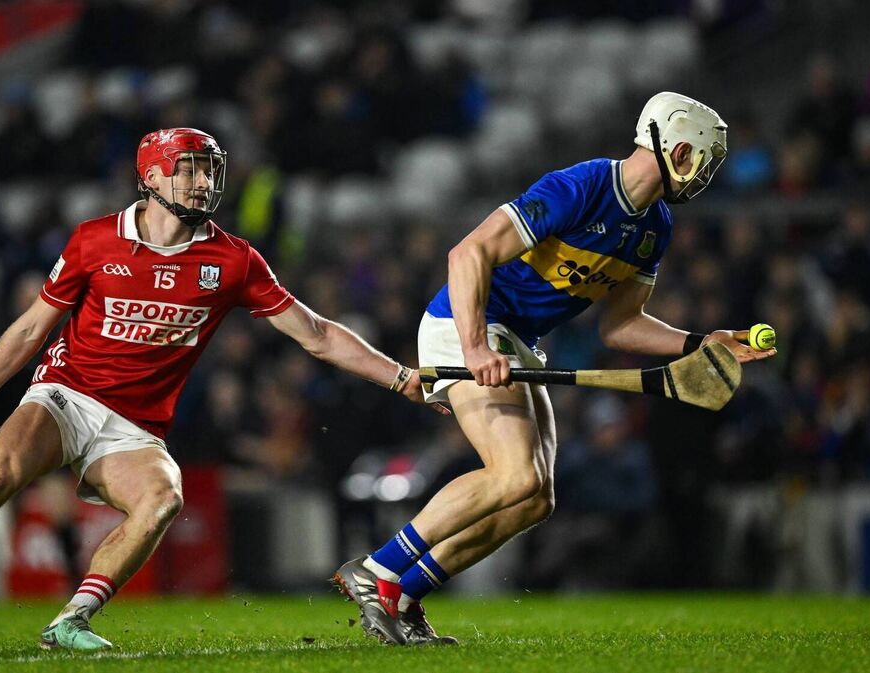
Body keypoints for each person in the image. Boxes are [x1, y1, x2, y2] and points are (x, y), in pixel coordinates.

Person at [0, 128, 446, 651]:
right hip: (65, 394)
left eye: (208, 169)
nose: (201, 180)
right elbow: (32, 328)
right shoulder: (94, 241)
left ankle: (74, 618)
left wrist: (398, 376)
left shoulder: (234, 260)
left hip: (137, 428)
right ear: (151, 176)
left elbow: (315, 334)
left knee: (164, 500)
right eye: (187, 168)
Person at [332, 92, 777, 645]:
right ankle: (376, 571)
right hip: (465, 322)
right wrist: (474, 348)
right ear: (674, 146)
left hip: (518, 341)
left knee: (535, 497)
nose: (705, 174)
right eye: (701, 159)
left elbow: (620, 325)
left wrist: (699, 342)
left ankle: (405, 594)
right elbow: (467, 255)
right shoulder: (580, 186)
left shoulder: (654, 228)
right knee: (513, 473)